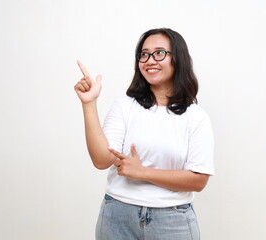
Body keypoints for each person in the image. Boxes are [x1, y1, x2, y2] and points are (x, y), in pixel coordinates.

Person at [74, 28, 214, 239]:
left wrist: (142, 172)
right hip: (117, 217)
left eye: (159, 53)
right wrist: (89, 104)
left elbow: (198, 180)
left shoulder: (196, 116)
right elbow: (102, 161)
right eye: (144, 54)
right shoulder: (124, 107)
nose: (150, 60)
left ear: (178, 59)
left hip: (172, 220)